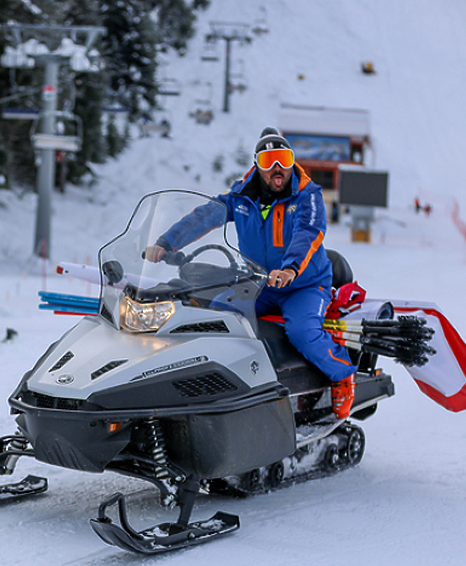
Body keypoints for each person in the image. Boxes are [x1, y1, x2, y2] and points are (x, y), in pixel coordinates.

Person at [145, 127, 357, 419]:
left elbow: (309, 232)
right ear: (257, 165)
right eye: (269, 161)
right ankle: (218, 381)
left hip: (304, 284)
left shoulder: (306, 195)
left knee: (302, 332)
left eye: (284, 158)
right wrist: (166, 243)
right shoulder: (241, 196)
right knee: (217, 313)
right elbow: (206, 215)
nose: (278, 168)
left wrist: (290, 269)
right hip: (262, 282)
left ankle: (342, 375)